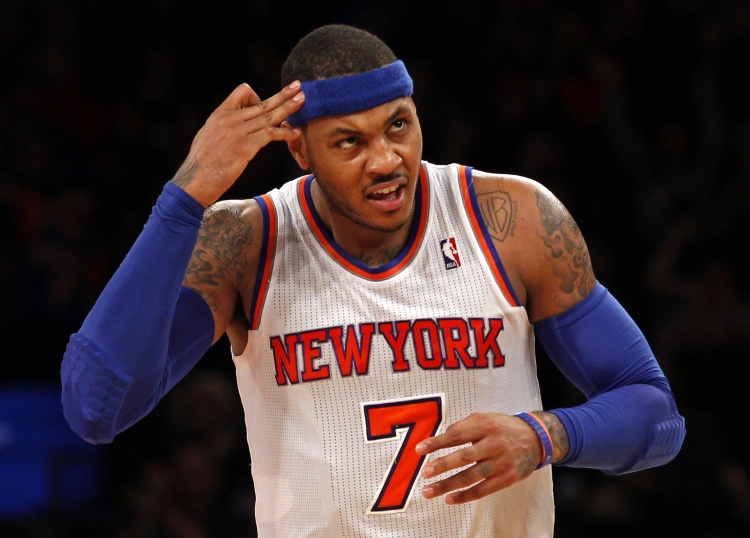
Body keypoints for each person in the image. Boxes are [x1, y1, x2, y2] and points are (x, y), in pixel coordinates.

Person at [61, 24, 686, 537]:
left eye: (398, 125)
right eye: (349, 142)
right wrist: (184, 200)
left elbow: (657, 415)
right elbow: (95, 408)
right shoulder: (246, 243)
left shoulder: (510, 221)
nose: (386, 160)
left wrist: (548, 434)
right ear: (300, 151)